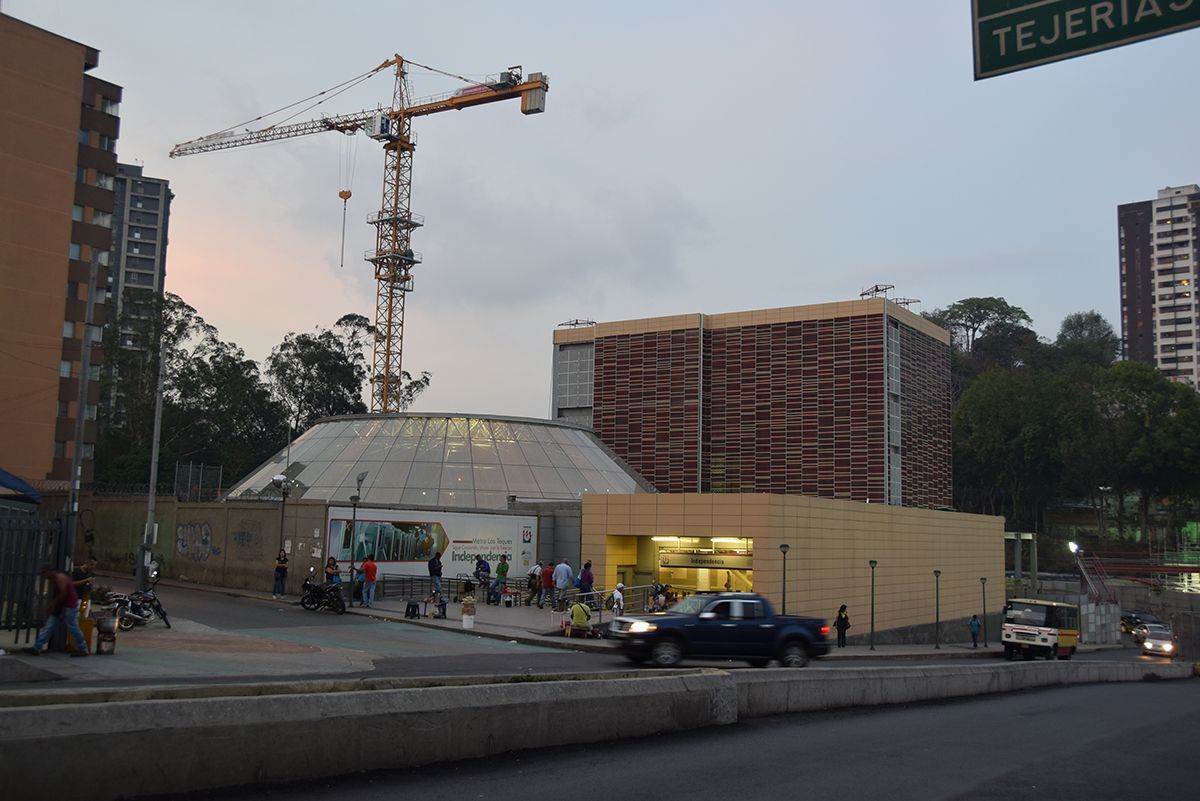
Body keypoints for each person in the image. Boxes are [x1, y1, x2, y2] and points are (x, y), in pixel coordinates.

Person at [22, 563, 88, 657]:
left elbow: (62, 594)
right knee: (49, 627)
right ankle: (37, 647)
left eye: (45, 573)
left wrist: (53, 605)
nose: (44, 575)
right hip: (63, 607)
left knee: (73, 627)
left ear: (50, 571)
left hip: (69, 606)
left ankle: (83, 648)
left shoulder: (59, 578)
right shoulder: (54, 579)